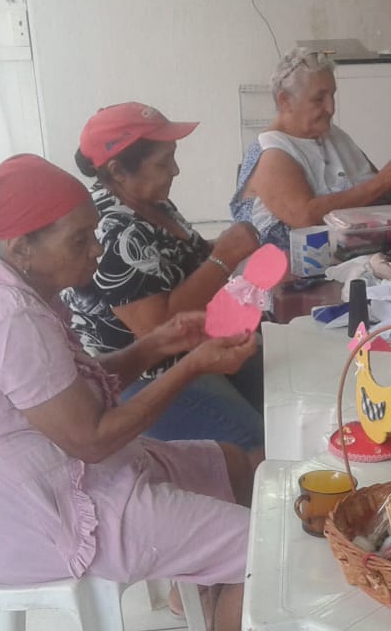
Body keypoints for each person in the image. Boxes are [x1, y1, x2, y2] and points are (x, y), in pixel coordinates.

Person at [0, 154, 256, 629]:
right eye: (80, 239)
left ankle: (201, 590)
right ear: (21, 247)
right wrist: (192, 365)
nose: (96, 249)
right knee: (269, 548)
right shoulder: (7, 317)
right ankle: (226, 588)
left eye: (93, 233)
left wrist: (158, 343)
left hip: (69, 478)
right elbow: (92, 439)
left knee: (243, 467)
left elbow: (70, 386)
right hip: (41, 520)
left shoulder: (10, 288)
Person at [63, 102, 265, 453]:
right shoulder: (113, 230)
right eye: (163, 162)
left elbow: (183, 262)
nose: (175, 169)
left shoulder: (151, 203)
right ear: (118, 170)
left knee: (285, 396)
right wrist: (226, 255)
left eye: (173, 156)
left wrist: (227, 248)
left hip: (195, 347)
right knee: (258, 444)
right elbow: (159, 328)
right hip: (143, 375)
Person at [231, 47, 391, 249]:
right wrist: (383, 181)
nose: (331, 108)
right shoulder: (272, 153)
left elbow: (375, 191)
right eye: (318, 99)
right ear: (285, 101)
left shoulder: (332, 135)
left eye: (332, 96)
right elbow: (305, 218)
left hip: (359, 253)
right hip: (298, 270)